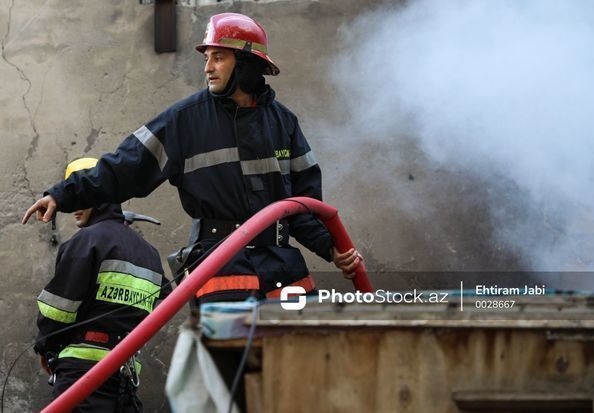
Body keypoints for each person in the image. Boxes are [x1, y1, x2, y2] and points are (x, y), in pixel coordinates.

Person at [22, 12, 362, 304]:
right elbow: (124, 167)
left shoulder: (283, 122)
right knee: (231, 358)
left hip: (283, 268)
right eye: (207, 58)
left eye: (218, 57)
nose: (208, 68)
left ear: (245, 64)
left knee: (302, 355)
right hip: (222, 268)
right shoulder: (184, 121)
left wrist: (330, 248)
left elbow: (304, 205)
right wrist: (62, 195)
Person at [34, 158, 171, 412]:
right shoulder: (150, 253)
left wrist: (45, 347)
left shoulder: (86, 241)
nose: (75, 207)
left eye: (81, 196)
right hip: (125, 375)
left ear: (99, 192)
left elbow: (58, 309)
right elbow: (163, 302)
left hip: (82, 374)